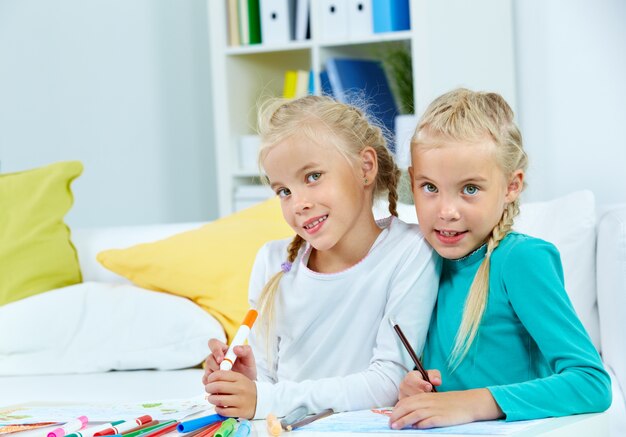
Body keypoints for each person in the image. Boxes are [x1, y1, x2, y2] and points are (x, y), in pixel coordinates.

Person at [202, 95, 440, 419]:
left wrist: (267, 399)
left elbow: (388, 382)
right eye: (283, 191)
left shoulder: (411, 251)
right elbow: (271, 385)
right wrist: (246, 381)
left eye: (312, 176)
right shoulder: (272, 262)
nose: (297, 203)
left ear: (365, 168)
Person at [389, 88, 612, 430]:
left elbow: (591, 383)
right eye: (430, 187)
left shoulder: (521, 260)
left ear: (511, 185)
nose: (446, 212)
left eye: (470, 189)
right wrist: (413, 388)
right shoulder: (418, 258)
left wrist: (472, 402)